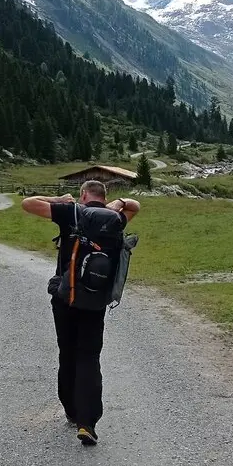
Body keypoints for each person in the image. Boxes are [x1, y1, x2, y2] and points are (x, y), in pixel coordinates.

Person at [22, 181, 140, 446]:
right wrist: (116, 204)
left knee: (67, 352)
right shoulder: (115, 219)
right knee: (89, 356)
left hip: (65, 298)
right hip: (95, 302)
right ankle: (88, 423)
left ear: (83, 195)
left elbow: (27, 204)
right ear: (105, 197)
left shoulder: (71, 212)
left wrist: (57, 198)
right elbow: (135, 205)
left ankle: (71, 411)